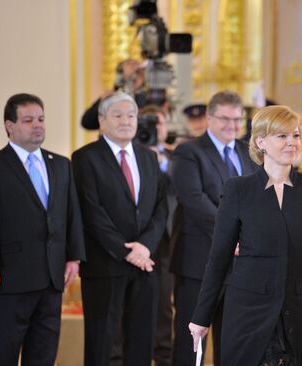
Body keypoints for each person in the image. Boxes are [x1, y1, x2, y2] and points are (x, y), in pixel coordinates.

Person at [188, 105, 302, 365]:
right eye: (282, 136)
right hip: (248, 308)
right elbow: (219, 258)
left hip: (300, 306)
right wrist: (201, 317)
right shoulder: (238, 189)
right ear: (260, 141)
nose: (292, 143)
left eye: (296, 135)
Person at [72, 92, 167, 366]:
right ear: (102, 121)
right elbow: (91, 212)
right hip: (105, 263)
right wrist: (126, 251)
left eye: (131, 115)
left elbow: (160, 206)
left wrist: (145, 246)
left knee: (141, 340)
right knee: (102, 341)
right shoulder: (85, 158)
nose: (126, 121)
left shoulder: (148, 157)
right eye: (117, 115)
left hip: (145, 263)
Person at [170, 90, 258, 366]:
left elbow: (257, 198)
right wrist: (231, 234)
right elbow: (194, 200)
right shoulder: (188, 152)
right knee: (192, 341)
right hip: (199, 262)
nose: (232, 125)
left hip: (240, 264)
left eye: (237, 119)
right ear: (209, 118)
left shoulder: (248, 152)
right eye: (225, 119)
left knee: (232, 340)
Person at [0, 93, 86, 366]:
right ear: (9, 126)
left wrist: (74, 256)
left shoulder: (60, 164)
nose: (37, 125)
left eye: (41, 119)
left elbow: (71, 214)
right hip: (10, 279)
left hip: (51, 278)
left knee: (44, 354)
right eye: (28, 120)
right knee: (4, 352)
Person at [139, 105, 176, 366]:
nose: (154, 129)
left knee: (164, 303)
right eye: (147, 124)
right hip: (138, 238)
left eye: (158, 123)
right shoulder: (132, 155)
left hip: (170, 238)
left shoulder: (177, 157)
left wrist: (159, 161)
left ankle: (163, 357)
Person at [81, 59, 144, 130]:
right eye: (129, 64)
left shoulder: (150, 95)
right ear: (120, 73)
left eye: (136, 65)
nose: (134, 66)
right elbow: (87, 123)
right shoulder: (112, 96)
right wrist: (102, 102)